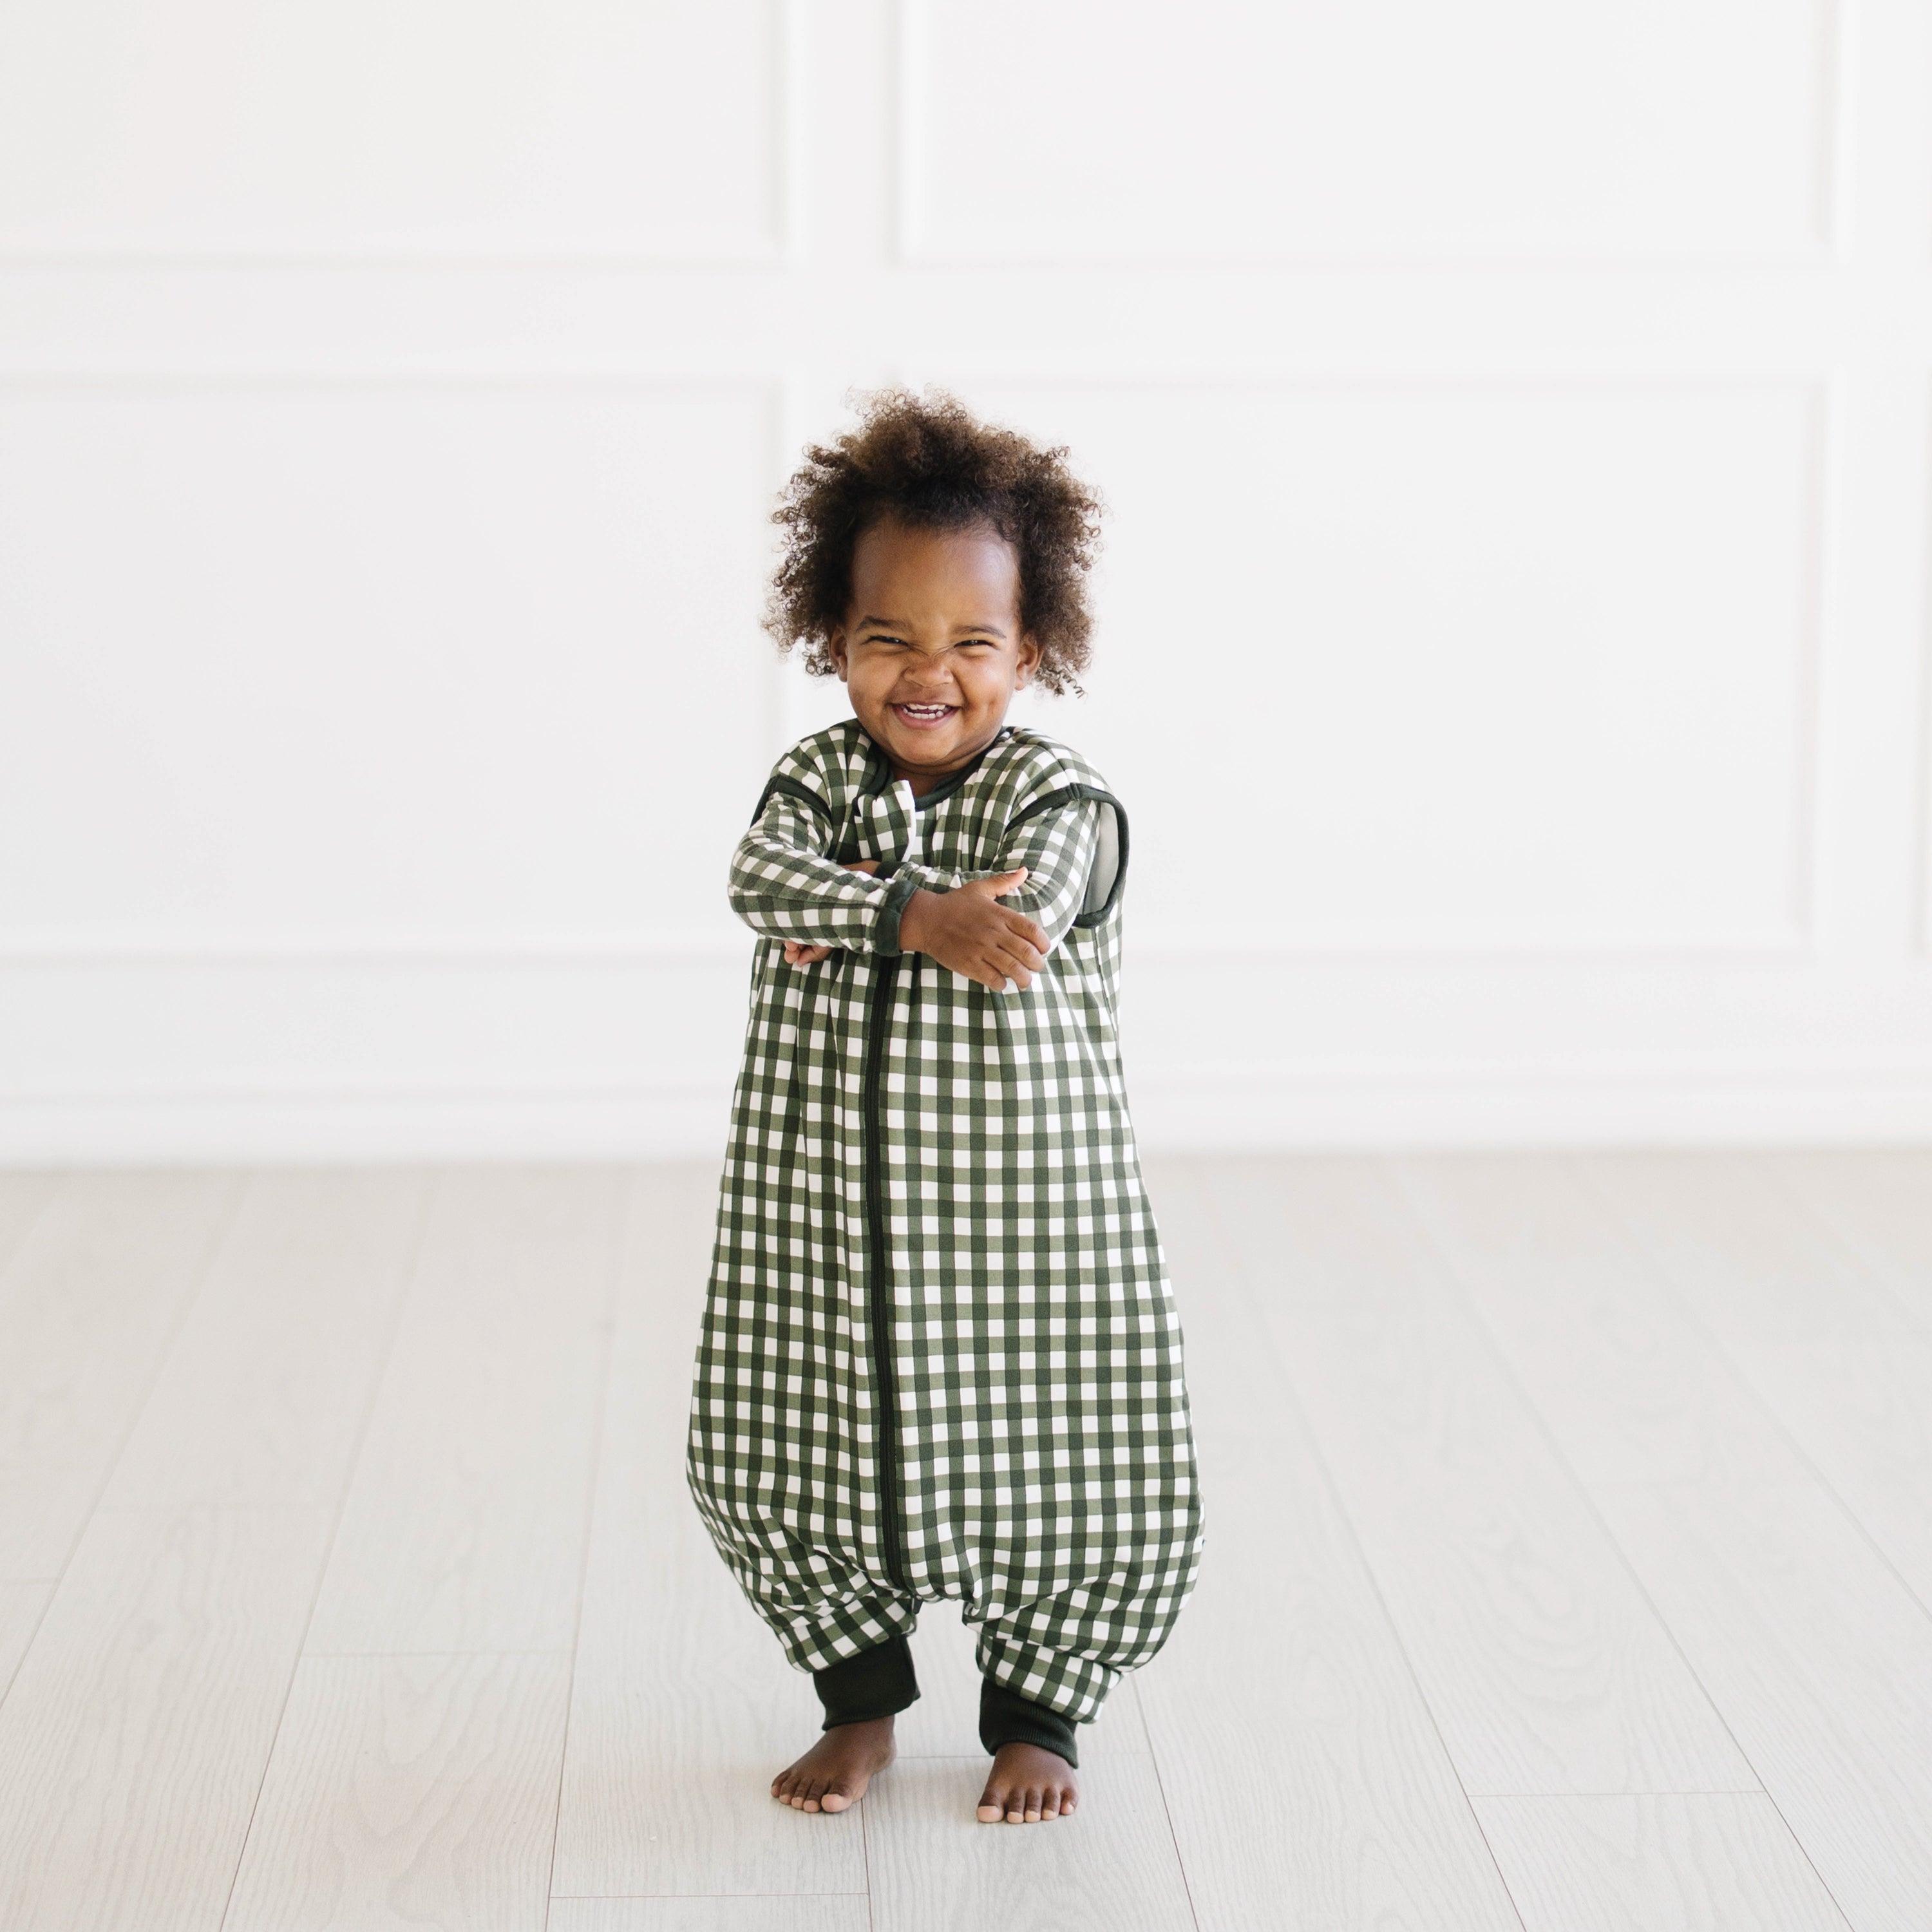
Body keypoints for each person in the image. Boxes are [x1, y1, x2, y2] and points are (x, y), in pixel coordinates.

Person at [685, 389, 1204, 1826]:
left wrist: (871, 917)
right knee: (786, 1438)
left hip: (1022, 1227)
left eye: (972, 642)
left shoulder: (1062, 798)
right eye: (888, 638)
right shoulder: (816, 782)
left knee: (1070, 1449)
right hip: (823, 1212)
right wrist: (909, 913)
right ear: (832, 642)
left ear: (1030, 652)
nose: (930, 672)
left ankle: (1042, 1713)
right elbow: (757, 877)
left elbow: (1034, 903)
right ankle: (858, 1704)